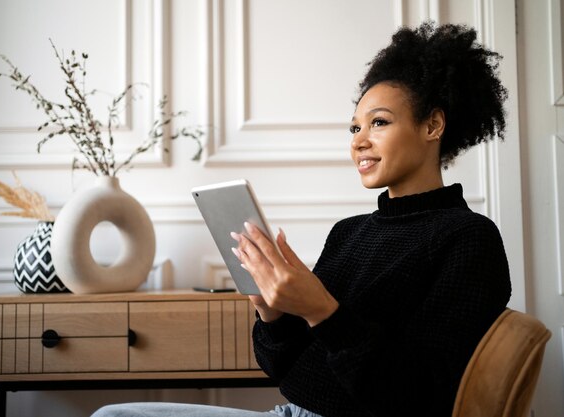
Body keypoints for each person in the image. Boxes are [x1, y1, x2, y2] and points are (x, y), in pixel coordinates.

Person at [91, 21, 511, 417]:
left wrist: (322, 310)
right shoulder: (348, 234)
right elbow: (289, 372)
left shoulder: (468, 239)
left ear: (433, 125)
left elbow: (420, 398)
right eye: (353, 128)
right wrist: (270, 310)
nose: (359, 141)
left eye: (379, 122)